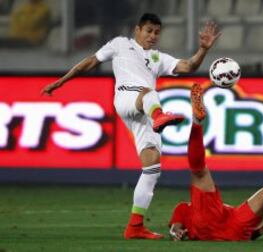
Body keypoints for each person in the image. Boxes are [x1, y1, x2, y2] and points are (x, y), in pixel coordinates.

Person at [41, 13, 221, 240]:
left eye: (157, 32)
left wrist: (203, 49)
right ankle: (159, 116)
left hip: (143, 114)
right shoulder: (120, 44)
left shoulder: (157, 58)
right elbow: (90, 61)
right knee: (148, 91)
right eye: (149, 31)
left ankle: (135, 226)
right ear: (137, 30)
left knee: (152, 168)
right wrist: (60, 81)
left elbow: (188, 66)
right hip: (127, 99)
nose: (153, 36)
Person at [168, 83, 263, 241]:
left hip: (231, 227)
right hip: (223, 224)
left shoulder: (187, 208)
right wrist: (176, 233)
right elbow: (174, 228)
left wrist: (260, 231)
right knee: (199, 172)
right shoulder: (183, 208)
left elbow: (174, 229)